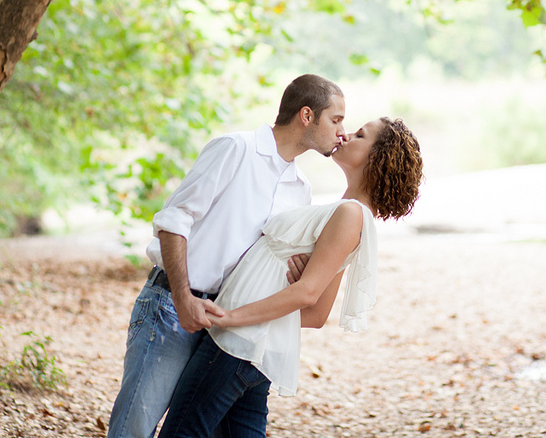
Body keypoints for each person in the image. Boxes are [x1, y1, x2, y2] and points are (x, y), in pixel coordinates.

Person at [106, 74, 347, 438]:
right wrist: (183, 298)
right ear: (307, 115)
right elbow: (174, 220)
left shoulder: (301, 189)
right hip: (172, 307)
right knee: (135, 426)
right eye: (337, 119)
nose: (342, 131)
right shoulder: (237, 148)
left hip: (227, 326)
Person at [156, 117, 424, 438]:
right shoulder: (346, 211)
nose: (346, 134)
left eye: (360, 135)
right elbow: (315, 315)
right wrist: (286, 288)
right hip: (256, 348)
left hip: (238, 343)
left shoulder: (350, 214)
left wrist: (231, 317)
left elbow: (309, 297)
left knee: (182, 431)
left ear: (378, 156)